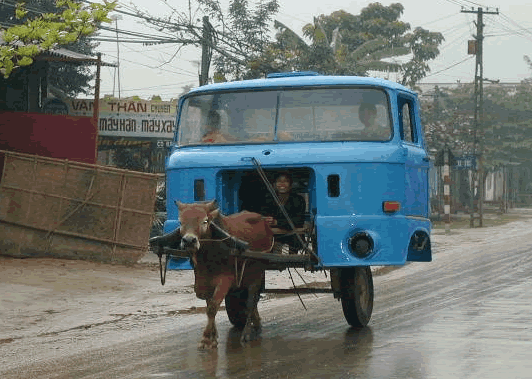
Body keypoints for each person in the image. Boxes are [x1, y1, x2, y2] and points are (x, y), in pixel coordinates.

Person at [260, 172, 307, 254]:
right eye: (279, 181)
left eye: (285, 181)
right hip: (275, 235)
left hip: (293, 235)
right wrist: (267, 220)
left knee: (296, 239)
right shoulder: (268, 199)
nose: (282, 184)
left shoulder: (298, 200)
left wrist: (277, 222)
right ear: (274, 185)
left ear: (290, 185)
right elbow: (264, 215)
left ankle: (293, 259)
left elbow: (298, 221)